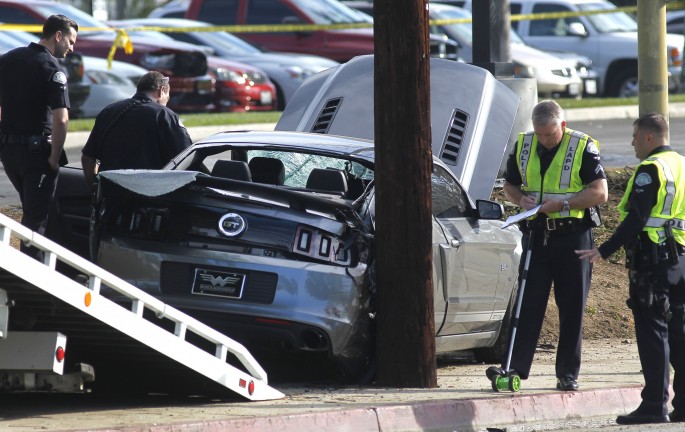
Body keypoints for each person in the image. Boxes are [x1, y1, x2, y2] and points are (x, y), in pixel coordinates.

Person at [486, 99, 608, 391]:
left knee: (572, 307)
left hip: (573, 235)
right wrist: (521, 199)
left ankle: (567, 373)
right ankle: (514, 367)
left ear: (562, 126)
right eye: (540, 134)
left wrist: (563, 204)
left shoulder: (582, 147)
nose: (544, 140)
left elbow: (600, 193)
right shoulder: (524, 145)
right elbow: (510, 185)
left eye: (550, 134)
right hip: (538, 235)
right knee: (527, 303)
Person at [576, 113, 685, 425]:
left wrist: (604, 249)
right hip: (680, 258)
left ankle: (654, 405)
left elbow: (637, 218)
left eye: (635, 136)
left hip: (653, 261)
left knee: (654, 335)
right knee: (679, 334)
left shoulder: (650, 170)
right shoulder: (681, 164)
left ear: (649, 138)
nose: (632, 143)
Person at [0, 14, 78, 259]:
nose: (72, 47)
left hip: (9, 151)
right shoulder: (52, 68)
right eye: (71, 41)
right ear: (58, 36)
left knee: (32, 211)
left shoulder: (7, 59)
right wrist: (54, 157)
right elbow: (61, 119)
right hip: (36, 155)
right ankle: (30, 278)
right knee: (36, 221)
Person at [81, 71, 192, 185]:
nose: (166, 103)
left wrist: (94, 187)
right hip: (151, 195)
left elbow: (87, 158)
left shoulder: (108, 111)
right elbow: (187, 158)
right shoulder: (165, 115)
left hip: (111, 196)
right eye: (167, 99)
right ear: (161, 90)